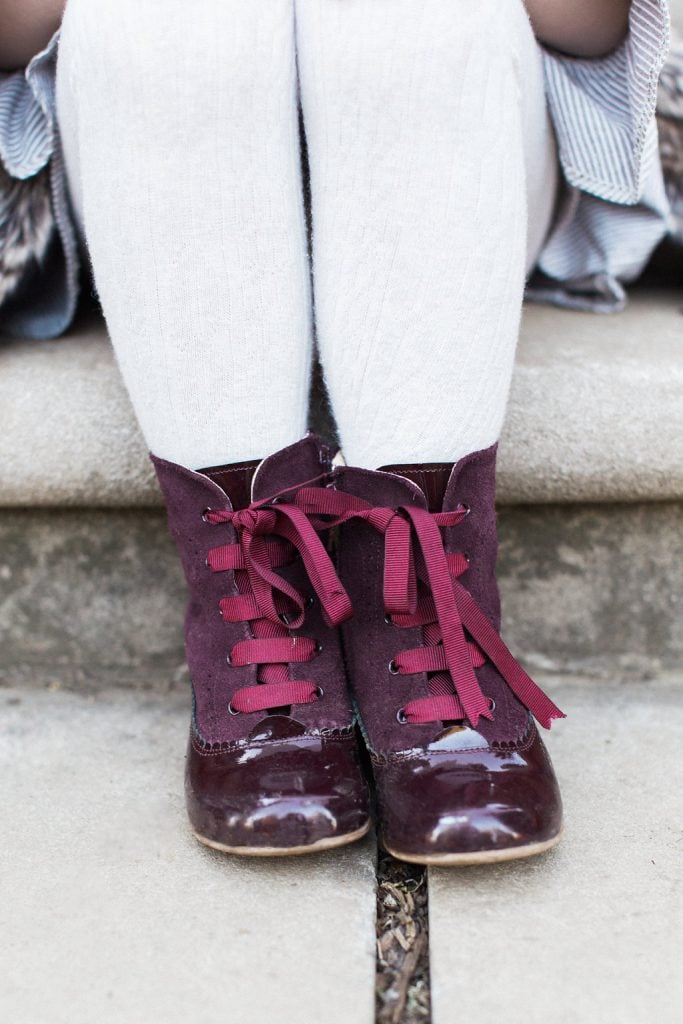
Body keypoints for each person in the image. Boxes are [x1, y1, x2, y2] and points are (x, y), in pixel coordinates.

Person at [0, 1, 670, 864]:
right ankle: (253, 615)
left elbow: (592, 25)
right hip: (143, 144)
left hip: (464, 127)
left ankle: (427, 616)